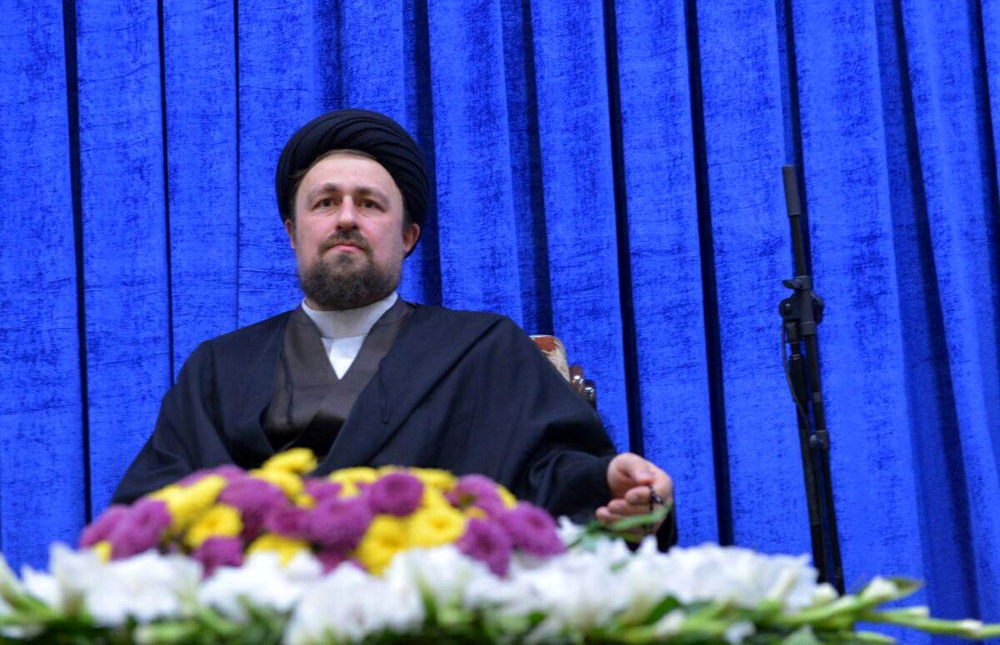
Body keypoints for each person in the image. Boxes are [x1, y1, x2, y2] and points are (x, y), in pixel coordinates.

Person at [114, 109, 676, 547]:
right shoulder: (219, 366)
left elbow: (551, 477)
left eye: (370, 204)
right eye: (325, 203)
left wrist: (611, 483)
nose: (346, 218)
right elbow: (152, 506)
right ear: (292, 232)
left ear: (407, 237)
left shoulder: (483, 349)